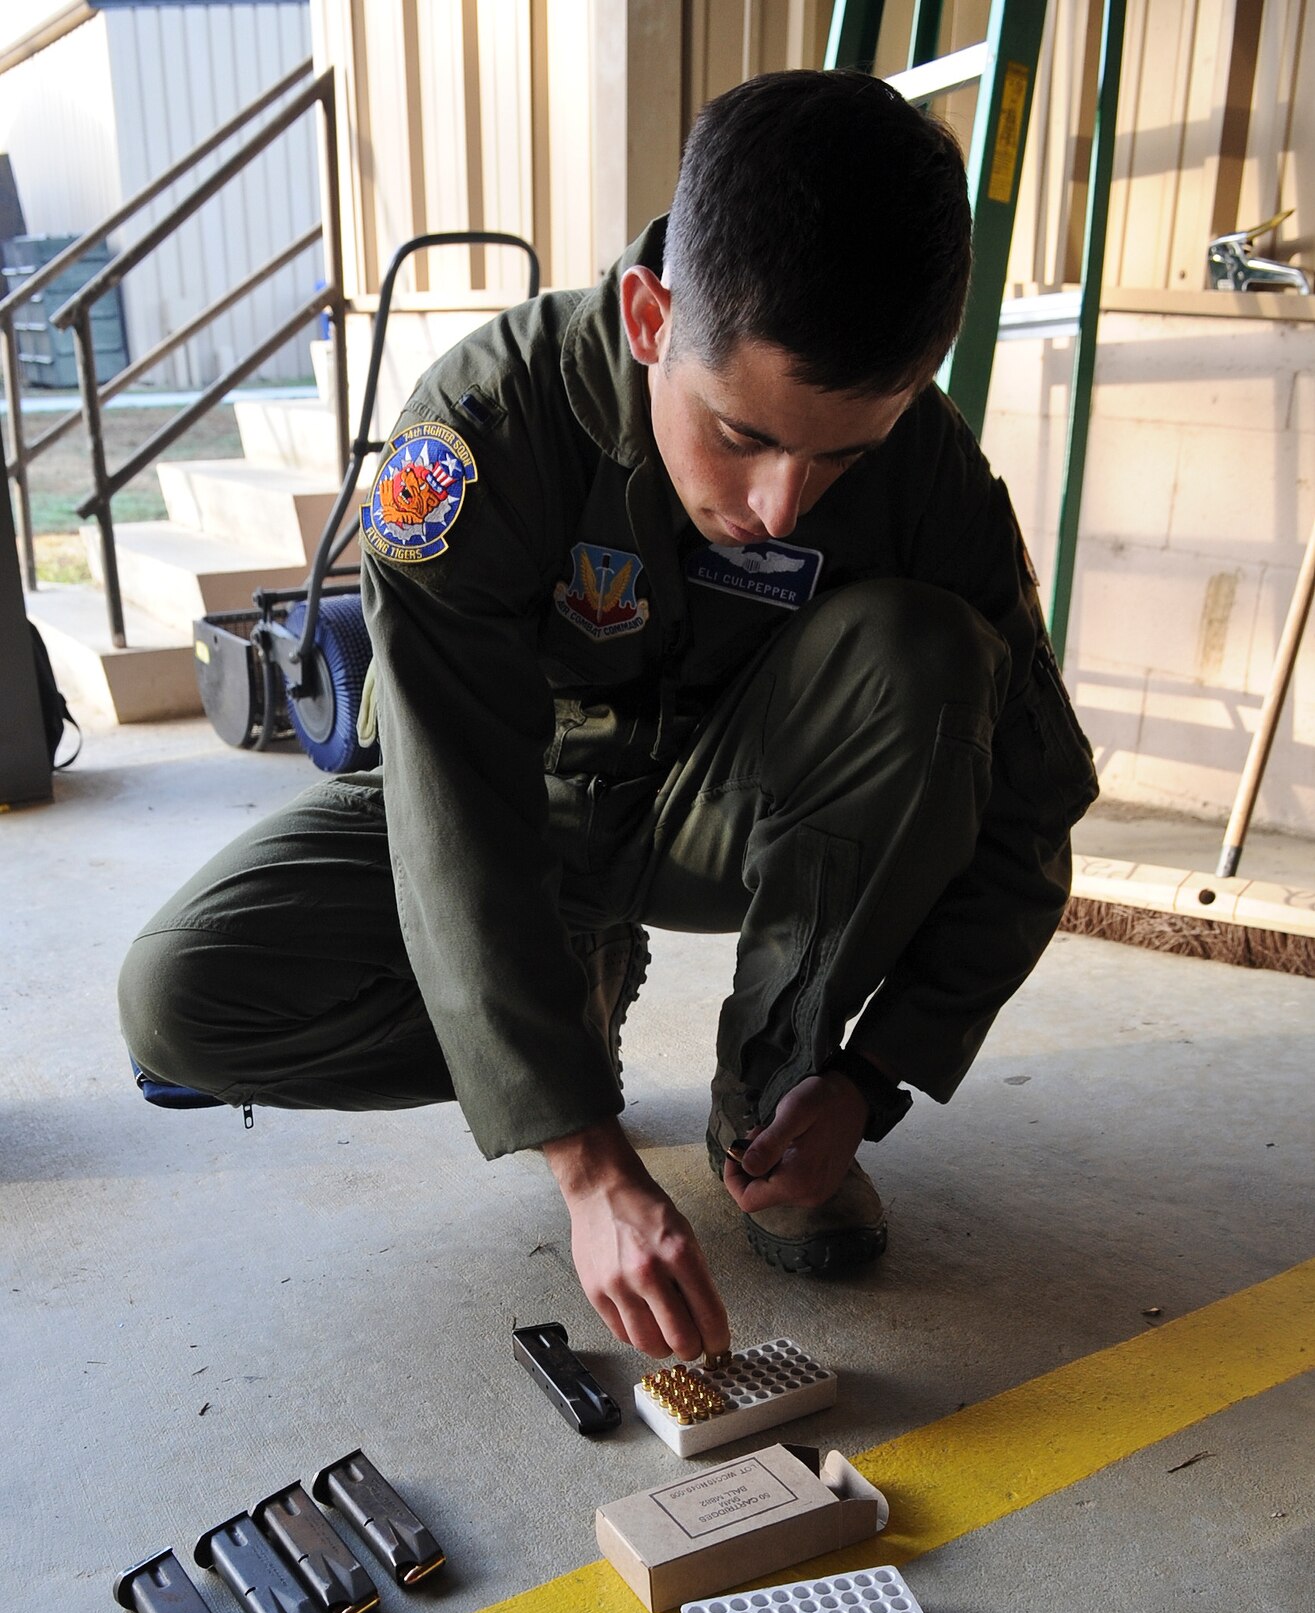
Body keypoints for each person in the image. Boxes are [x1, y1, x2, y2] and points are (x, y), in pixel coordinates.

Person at [118, 69, 1098, 1366]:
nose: (781, 506)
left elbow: (1031, 803)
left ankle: (771, 1096)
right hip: (521, 795)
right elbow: (452, 798)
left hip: (718, 817)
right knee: (184, 998)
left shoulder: (927, 468)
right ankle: (576, 990)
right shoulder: (477, 431)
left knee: (928, 656)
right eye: (741, 433)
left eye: (842, 457)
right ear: (650, 314)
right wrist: (584, 1159)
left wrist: (869, 1077)